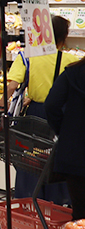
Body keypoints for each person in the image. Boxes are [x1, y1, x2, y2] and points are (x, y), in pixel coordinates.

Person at [0, 15, 76, 203]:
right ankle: (57, 204)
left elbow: (11, 86)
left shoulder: (27, 56)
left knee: (30, 160)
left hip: (36, 114)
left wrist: (1, 105)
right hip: (64, 116)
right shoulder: (72, 61)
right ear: (63, 37)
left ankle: (29, 201)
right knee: (58, 158)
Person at [45, 54, 85, 220]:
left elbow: (51, 104)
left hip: (75, 154)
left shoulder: (72, 72)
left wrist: (65, 130)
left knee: (80, 213)